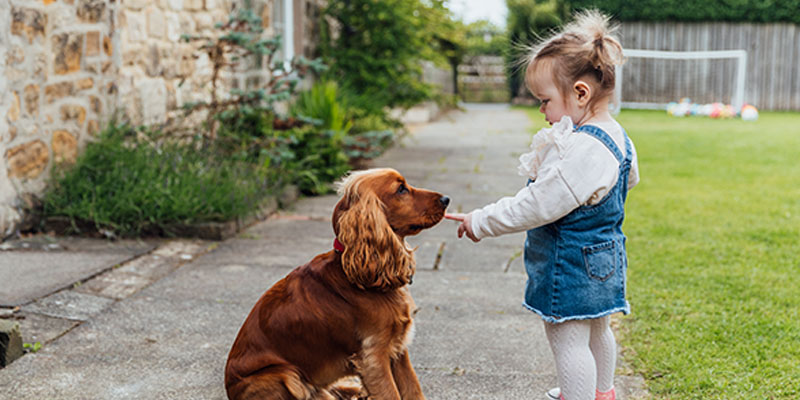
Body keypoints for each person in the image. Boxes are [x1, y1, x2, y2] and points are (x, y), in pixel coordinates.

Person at [445, 10, 639, 400]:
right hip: (605, 256)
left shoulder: (580, 150)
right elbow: (630, 178)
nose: (541, 110)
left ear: (580, 93)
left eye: (545, 100)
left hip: (570, 262)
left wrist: (480, 221)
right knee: (599, 328)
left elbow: (535, 205)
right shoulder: (616, 135)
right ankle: (603, 392)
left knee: (567, 337)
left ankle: (579, 395)